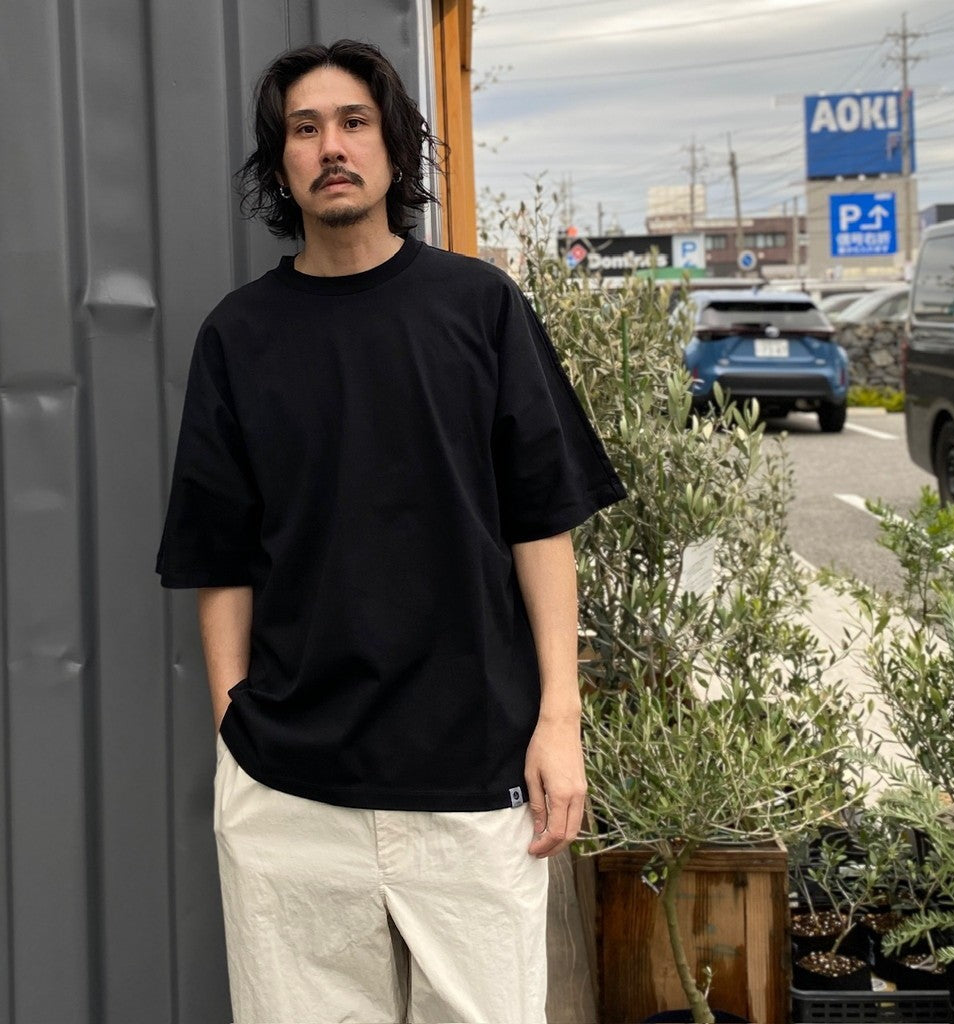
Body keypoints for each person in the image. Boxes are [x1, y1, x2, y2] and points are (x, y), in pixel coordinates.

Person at [156, 38, 625, 1024]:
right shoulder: (238, 336)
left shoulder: (479, 307)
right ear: (280, 162)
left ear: (394, 148)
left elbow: (541, 524)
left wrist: (559, 721)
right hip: (291, 794)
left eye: (354, 122)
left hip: (476, 777)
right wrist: (234, 726)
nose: (332, 146)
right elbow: (220, 557)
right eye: (305, 128)